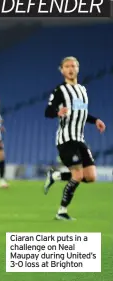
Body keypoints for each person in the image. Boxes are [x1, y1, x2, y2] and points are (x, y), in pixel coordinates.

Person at [44, 56, 106, 220]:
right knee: (77, 175)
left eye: (73, 66)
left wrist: (95, 120)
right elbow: (48, 111)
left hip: (80, 139)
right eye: (67, 66)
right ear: (62, 70)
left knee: (91, 177)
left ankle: (55, 176)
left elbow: (81, 113)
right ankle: (61, 212)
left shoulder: (82, 90)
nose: (71, 69)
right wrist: (57, 112)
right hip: (66, 140)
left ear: (78, 69)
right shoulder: (60, 91)